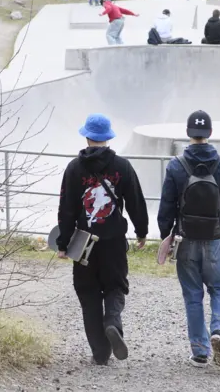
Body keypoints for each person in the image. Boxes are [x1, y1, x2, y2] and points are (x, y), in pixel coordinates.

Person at [57, 113, 149, 366]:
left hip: (84, 242)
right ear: (108, 138)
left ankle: (100, 353)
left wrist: (63, 243)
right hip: (114, 241)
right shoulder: (122, 167)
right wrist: (142, 231)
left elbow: (66, 209)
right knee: (115, 286)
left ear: (86, 137)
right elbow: (136, 202)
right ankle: (113, 322)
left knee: (88, 293)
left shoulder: (75, 168)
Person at [157, 110, 220, 368]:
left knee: (193, 295)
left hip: (186, 238)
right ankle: (219, 329)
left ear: (188, 133)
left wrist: (168, 235)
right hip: (215, 238)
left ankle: (199, 351)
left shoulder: (176, 165)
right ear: (209, 133)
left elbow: (166, 207)